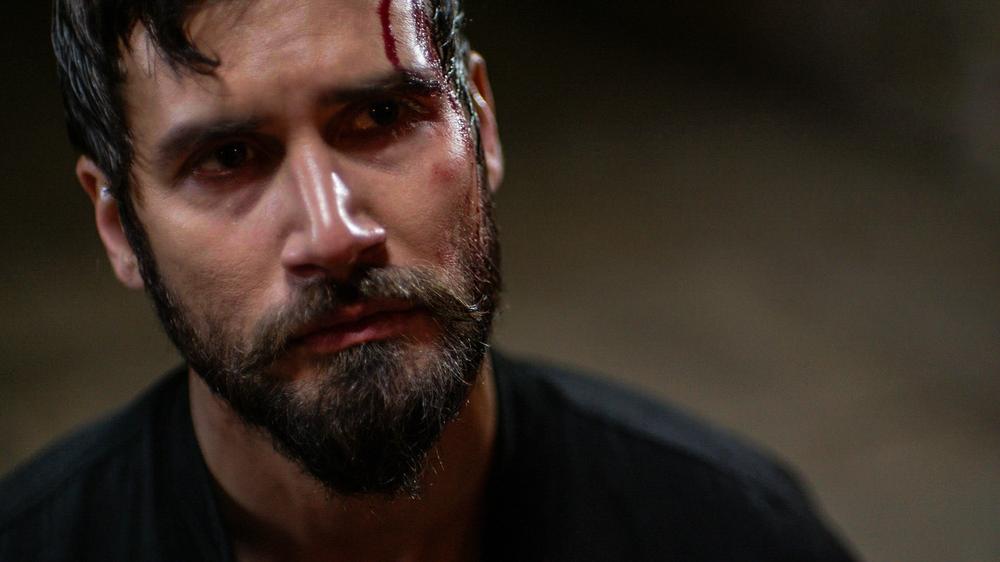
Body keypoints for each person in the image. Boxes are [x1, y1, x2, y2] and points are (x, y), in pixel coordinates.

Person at [0, 0, 857, 560]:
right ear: (119, 227)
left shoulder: (732, 534)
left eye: (381, 116)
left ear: (481, 126)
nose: (334, 236)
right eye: (228, 158)